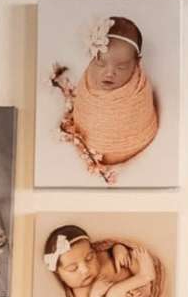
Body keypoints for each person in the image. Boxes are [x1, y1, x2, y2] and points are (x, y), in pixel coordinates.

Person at [49, 15, 161, 183]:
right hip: (89, 150)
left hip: (133, 143)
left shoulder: (138, 91)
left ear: (137, 63)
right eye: (101, 64)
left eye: (121, 66)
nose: (109, 73)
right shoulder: (87, 82)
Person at [41, 222, 167, 297]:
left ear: (93, 251)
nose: (85, 269)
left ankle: (146, 287)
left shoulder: (101, 256)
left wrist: (119, 250)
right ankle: (145, 276)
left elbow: (112, 246)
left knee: (133, 254)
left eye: (89, 258)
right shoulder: (81, 294)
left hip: (137, 281)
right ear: (59, 275)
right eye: (73, 268)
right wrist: (96, 296)